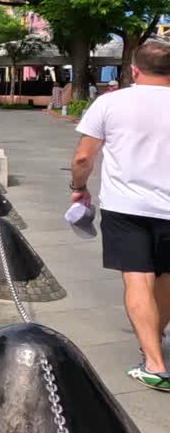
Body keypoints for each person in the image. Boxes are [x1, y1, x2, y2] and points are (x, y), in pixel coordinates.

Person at [71, 39, 170, 392]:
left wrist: (77, 187)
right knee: (166, 278)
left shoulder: (110, 103)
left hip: (127, 207)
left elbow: (84, 157)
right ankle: (153, 339)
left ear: (134, 69)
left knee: (137, 279)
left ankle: (154, 363)